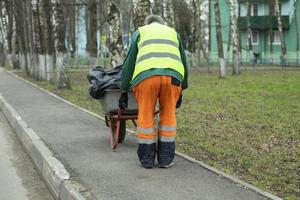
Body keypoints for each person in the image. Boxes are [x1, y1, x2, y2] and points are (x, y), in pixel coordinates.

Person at [118, 14, 188, 169]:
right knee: (168, 115)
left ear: (147, 23)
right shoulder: (173, 33)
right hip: (173, 78)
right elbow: (183, 61)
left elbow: (129, 63)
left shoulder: (140, 32)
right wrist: (183, 88)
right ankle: (165, 159)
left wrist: (123, 89)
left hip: (146, 78)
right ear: (162, 24)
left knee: (145, 115)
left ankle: (147, 159)